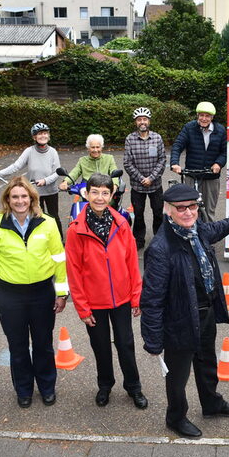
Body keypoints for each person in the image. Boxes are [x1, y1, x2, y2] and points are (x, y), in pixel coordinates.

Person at [140, 184, 229, 438]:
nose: (189, 212)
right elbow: (152, 299)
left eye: (193, 206)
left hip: (205, 313)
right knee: (178, 376)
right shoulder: (160, 249)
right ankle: (176, 417)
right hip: (179, 321)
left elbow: (215, 229)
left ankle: (212, 403)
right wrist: (153, 339)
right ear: (169, 211)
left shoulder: (197, 229)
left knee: (207, 363)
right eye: (182, 208)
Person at [0, 176, 68, 408]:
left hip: (42, 294)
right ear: (8, 199)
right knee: (17, 347)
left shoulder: (47, 223)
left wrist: (61, 293)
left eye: (24, 196)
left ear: (32, 198)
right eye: (15, 196)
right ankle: (24, 389)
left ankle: (47, 387)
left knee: (43, 345)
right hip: (10, 296)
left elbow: (59, 260)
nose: (20, 201)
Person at [65, 173, 148, 410]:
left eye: (105, 193)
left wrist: (136, 296)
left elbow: (132, 262)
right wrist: (82, 307)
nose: (100, 197)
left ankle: (134, 387)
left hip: (121, 299)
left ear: (112, 195)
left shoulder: (121, 223)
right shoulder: (76, 230)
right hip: (94, 303)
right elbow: (74, 271)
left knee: (125, 344)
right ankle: (105, 385)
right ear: (86, 194)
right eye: (95, 192)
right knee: (100, 346)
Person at [0, 122, 63, 239]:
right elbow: (16, 166)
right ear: (34, 137)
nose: (43, 136)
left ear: (48, 135)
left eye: (45, 133)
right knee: (35, 216)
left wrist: (45, 181)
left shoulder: (52, 152)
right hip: (33, 190)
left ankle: (58, 238)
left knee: (53, 216)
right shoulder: (29, 151)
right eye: (39, 134)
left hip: (50, 190)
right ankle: (37, 239)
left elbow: (57, 172)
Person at [170, 102, 227, 222]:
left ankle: (208, 234)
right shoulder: (189, 128)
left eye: (207, 116)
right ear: (197, 115)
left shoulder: (220, 130)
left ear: (212, 117)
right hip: (192, 173)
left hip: (211, 175)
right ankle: (190, 233)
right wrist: (174, 163)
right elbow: (178, 145)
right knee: (189, 207)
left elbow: (225, 151)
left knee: (209, 209)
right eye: (201, 115)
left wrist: (218, 163)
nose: (204, 118)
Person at [123, 107, 166, 250]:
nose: (142, 122)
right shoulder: (130, 139)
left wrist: (151, 178)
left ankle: (160, 239)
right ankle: (139, 240)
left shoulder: (157, 138)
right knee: (138, 214)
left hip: (155, 185)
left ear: (149, 121)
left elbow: (162, 160)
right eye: (139, 120)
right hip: (137, 186)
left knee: (158, 212)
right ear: (136, 122)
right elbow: (127, 163)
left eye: (145, 119)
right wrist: (142, 178)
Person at [59, 134, 119, 199]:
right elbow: (74, 172)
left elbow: (114, 171)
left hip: (104, 190)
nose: (95, 150)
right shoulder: (82, 160)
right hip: (86, 191)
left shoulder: (109, 158)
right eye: (93, 147)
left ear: (102, 147)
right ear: (88, 148)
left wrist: (115, 185)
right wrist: (65, 182)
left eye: (98, 147)